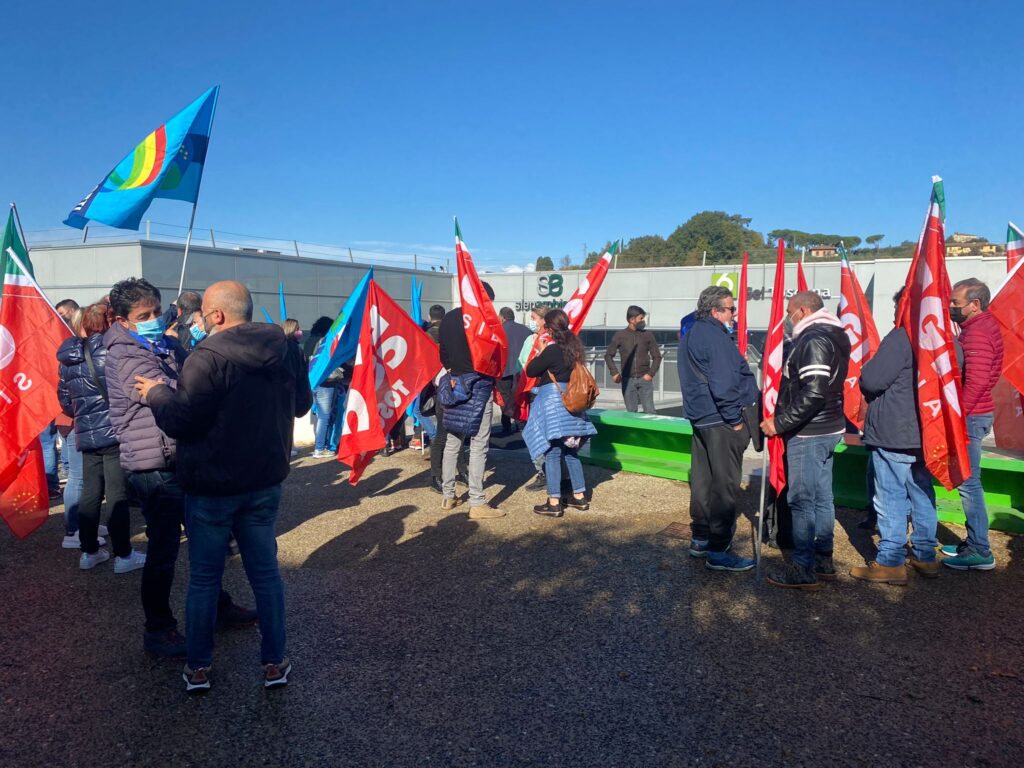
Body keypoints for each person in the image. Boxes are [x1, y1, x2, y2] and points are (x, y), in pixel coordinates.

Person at [137, 280, 313, 692]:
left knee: (204, 577)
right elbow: (302, 405)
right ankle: (275, 662)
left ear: (216, 315)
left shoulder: (206, 357)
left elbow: (181, 420)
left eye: (203, 314)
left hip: (211, 485)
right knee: (266, 575)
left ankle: (199, 666)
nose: (198, 321)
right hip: (264, 480)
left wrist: (157, 393)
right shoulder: (287, 348)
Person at [105, 277, 255, 659]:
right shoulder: (124, 353)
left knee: (207, 539)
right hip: (153, 466)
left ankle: (217, 606)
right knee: (164, 551)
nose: (154, 319)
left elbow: (196, 376)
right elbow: (172, 393)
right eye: (144, 315)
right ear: (122, 321)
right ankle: (158, 629)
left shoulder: (166, 344)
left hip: (180, 456)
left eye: (158, 311)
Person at [762, 291, 850, 590]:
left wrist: (779, 423)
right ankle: (823, 559)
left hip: (810, 431)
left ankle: (803, 568)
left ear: (802, 310)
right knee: (822, 497)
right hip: (828, 426)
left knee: (801, 500)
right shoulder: (833, 334)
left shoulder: (814, 339)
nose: (788, 318)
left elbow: (813, 392)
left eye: (790, 311)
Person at [852, 288, 938, 585]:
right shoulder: (943, 338)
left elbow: (871, 380)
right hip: (927, 431)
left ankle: (890, 561)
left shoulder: (901, 338)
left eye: (896, 307)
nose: (893, 315)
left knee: (890, 496)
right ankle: (925, 555)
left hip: (894, 432)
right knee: (922, 491)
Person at [58, 303, 144, 573]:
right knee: (116, 494)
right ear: (108, 323)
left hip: (86, 432)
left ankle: (89, 551)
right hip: (114, 430)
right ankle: (124, 555)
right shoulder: (112, 352)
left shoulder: (68, 358)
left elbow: (65, 401)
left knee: (90, 492)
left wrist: (84, 414)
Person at [678, 286, 758, 572]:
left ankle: (700, 539)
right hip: (720, 420)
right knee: (724, 484)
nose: (734, 314)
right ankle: (719, 550)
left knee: (703, 480)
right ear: (715, 311)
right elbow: (724, 383)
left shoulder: (692, 333)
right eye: (731, 309)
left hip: (701, 417)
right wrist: (735, 419)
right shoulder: (715, 336)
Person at [942, 278, 1004, 571]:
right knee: (968, 481)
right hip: (975, 413)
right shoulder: (980, 327)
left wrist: (958, 415)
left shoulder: (978, 333)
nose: (951, 307)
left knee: (969, 482)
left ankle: (980, 550)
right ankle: (973, 542)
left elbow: (976, 382)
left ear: (975, 304)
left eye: (956, 303)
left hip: (970, 416)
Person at [438, 283, 504, 518]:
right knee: (478, 443)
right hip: (479, 385)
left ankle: (448, 495)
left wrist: (452, 370)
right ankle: (477, 502)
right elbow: (493, 354)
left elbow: (442, 353)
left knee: (453, 441)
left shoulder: (448, 318)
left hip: (455, 383)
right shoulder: (483, 320)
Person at [523, 309, 597, 517]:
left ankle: (554, 502)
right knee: (571, 452)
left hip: (554, 405)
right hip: (573, 404)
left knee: (553, 453)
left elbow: (531, 370)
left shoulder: (552, 350)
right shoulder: (575, 350)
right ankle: (580, 497)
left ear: (549, 328)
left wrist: (540, 351)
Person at [604, 305, 662, 414]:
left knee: (650, 411)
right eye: (641, 318)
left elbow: (657, 356)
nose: (643, 321)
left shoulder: (647, 335)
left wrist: (650, 374)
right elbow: (608, 355)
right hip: (628, 381)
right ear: (632, 319)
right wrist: (614, 372)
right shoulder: (620, 335)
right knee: (631, 413)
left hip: (645, 380)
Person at [518, 306, 549, 492]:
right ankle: (554, 472)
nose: (531, 321)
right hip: (551, 392)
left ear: (543, 320)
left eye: (534, 318)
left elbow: (521, 365)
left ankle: (543, 471)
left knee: (533, 433)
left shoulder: (533, 340)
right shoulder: (557, 340)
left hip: (534, 391)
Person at [495, 307, 532, 437]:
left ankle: (507, 425)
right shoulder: (527, 331)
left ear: (502, 318)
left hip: (503, 371)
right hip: (521, 371)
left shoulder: (498, 332)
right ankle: (521, 422)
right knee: (519, 397)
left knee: (504, 398)